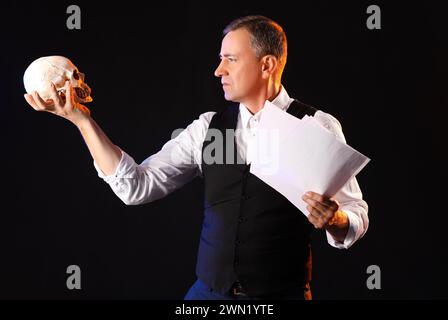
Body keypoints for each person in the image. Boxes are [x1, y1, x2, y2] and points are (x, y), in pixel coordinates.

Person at [24, 15, 368, 300]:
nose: (219, 71)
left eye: (230, 60)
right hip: (207, 297)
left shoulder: (316, 125)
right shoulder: (207, 128)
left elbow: (355, 214)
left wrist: (336, 221)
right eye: (220, 60)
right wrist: (82, 120)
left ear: (267, 64)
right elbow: (136, 187)